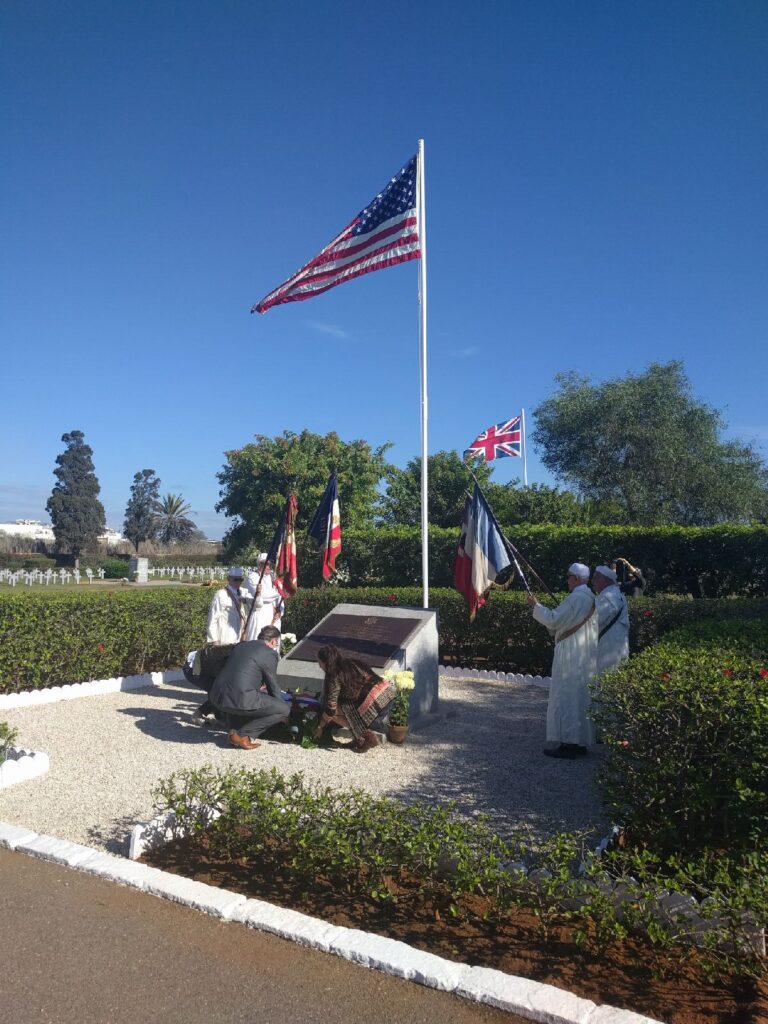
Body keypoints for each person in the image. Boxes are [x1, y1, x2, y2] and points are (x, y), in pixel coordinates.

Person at [526, 562, 597, 758]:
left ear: (576, 578)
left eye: (568, 576)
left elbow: (554, 620)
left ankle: (569, 743)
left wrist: (536, 606)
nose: (566, 580)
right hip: (583, 653)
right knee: (580, 697)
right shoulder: (589, 597)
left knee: (567, 696)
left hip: (571, 653)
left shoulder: (576, 598)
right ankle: (579, 741)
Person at [208, 625, 289, 750]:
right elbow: (272, 685)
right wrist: (281, 709)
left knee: (240, 694)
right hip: (240, 698)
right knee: (283, 709)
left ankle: (233, 730)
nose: (275, 647)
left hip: (217, 696)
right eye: (276, 644)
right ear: (273, 641)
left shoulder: (241, 645)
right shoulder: (269, 653)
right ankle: (241, 735)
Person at [313, 644, 397, 753]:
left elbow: (331, 707)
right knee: (348, 706)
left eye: (320, 662)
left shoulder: (334, 674)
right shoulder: (352, 662)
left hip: (375, 706)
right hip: (388, 696)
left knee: (334, 713)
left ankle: (366, 737)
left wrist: (320, 727)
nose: (320, 666)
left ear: (326, 662)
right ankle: (360, 740)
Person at [192, 566, 250, 722]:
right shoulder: (221, 594)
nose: (238, 582)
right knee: (222, 681)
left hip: (236, 641)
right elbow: (213, 618)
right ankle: (207, 711)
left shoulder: (242, 594)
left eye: (240, 580)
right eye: (235, 579)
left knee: (227, 681)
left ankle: (217, 712)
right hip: (223, 641)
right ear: (229, 579)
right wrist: (213, 641)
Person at [592, 565, 630, 676]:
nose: (592, 581)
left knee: (605, 683)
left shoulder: (608, 597)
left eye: (595, 578)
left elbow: (594, 620)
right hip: (614, 648)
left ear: (603, 580)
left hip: (609, 651)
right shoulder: (614, 594)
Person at [243, 554, 283, 641]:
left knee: (274, 644)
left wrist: (280, 611)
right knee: (258, 642)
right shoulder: (252, 577)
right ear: (258, 564)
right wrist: (280, 591)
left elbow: (280, 599)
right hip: (259, 614)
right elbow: (263, 596)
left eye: (269, 564)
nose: (267, 566)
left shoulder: (274, 577)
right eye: (264, 563)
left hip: (274, 617)